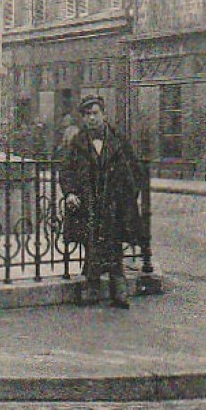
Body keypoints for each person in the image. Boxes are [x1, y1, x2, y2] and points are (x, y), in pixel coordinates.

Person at [60, 95, 144, 309]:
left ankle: (119, 289)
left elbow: (134, 170)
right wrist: (70, 193)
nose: (91, 119)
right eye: (87, 115)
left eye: (95, 114)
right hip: (88, 203)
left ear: (104, 115)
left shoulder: (118, 140)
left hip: (113, 203)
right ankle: (92, 286)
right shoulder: (77, 143)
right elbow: (66, 171)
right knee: (92, 243)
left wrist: (128, 197)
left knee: (114, 244)